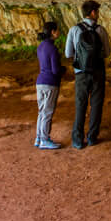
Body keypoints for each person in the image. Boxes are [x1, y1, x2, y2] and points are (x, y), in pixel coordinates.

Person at [64, 0, 111, 149]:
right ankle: (92, 137)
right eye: (97, 11)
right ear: (92, 12)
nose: (98, 14)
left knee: (80, 104)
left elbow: (68, 53)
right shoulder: (101, 30)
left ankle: (77, 140)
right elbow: (107, 53)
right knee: (96, 104)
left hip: (81, 73)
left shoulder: (74, 30)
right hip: (98, 71)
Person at [35, 20, 65, 150]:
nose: (59, 32)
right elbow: (55, 70)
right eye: (57, 30)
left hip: (40, 81)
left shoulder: (41, 46)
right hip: (50, 83)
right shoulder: (52, 48)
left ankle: (39, 137)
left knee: (41, 111)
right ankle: (45, 139)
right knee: (47, 112)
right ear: (53, 32)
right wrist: (64, 69)